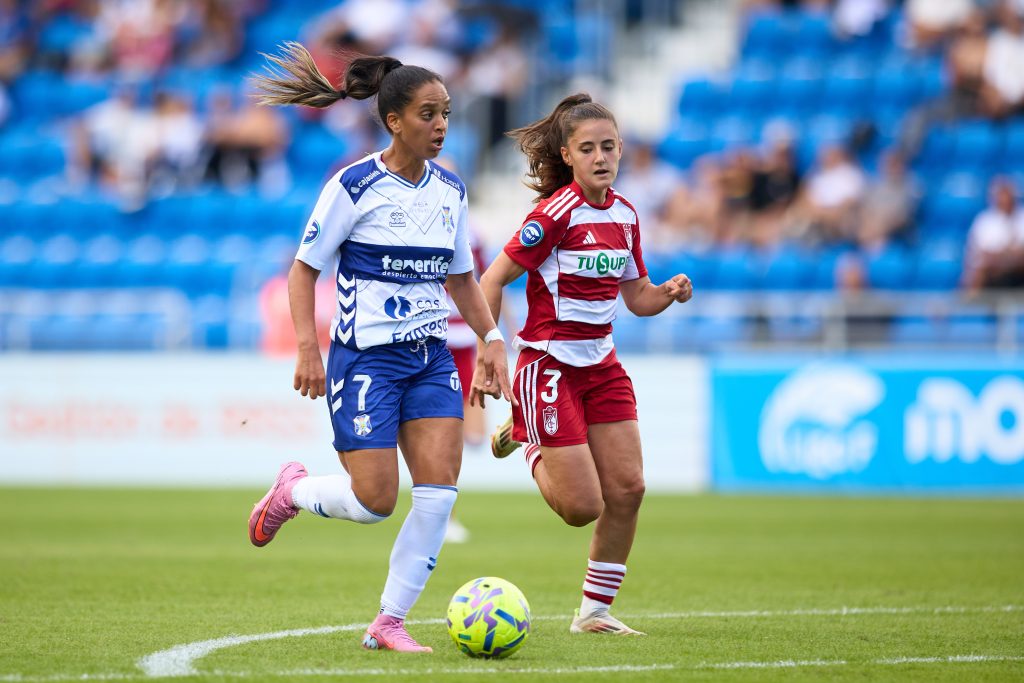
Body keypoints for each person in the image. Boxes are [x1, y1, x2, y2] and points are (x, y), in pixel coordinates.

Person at [246, 41, 513, 654]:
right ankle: (292, 491)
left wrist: (493, 339)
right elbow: (303, 271)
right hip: (366, 360)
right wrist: (308, 348)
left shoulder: (451, 190)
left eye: (446, 113)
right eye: (428, 114)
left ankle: (389, 621)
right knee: (375, 502)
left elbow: (461, 279)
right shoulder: (353, 185)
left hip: (430, 358)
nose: (441, 125)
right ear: (394, 120)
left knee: (439, 493)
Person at [472, 93, 693, 636]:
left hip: (603, 367)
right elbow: (491, 280)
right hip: (549, 366)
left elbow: (636, 297)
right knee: (580, 508)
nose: (601, 157)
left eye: (609, 147)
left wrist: (667, 293)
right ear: (567, 155)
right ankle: (526, 436)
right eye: (588, 148)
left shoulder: (626, 214)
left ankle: (594, 614)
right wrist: (489, 347)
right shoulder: (554, 215)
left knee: (629, 490)